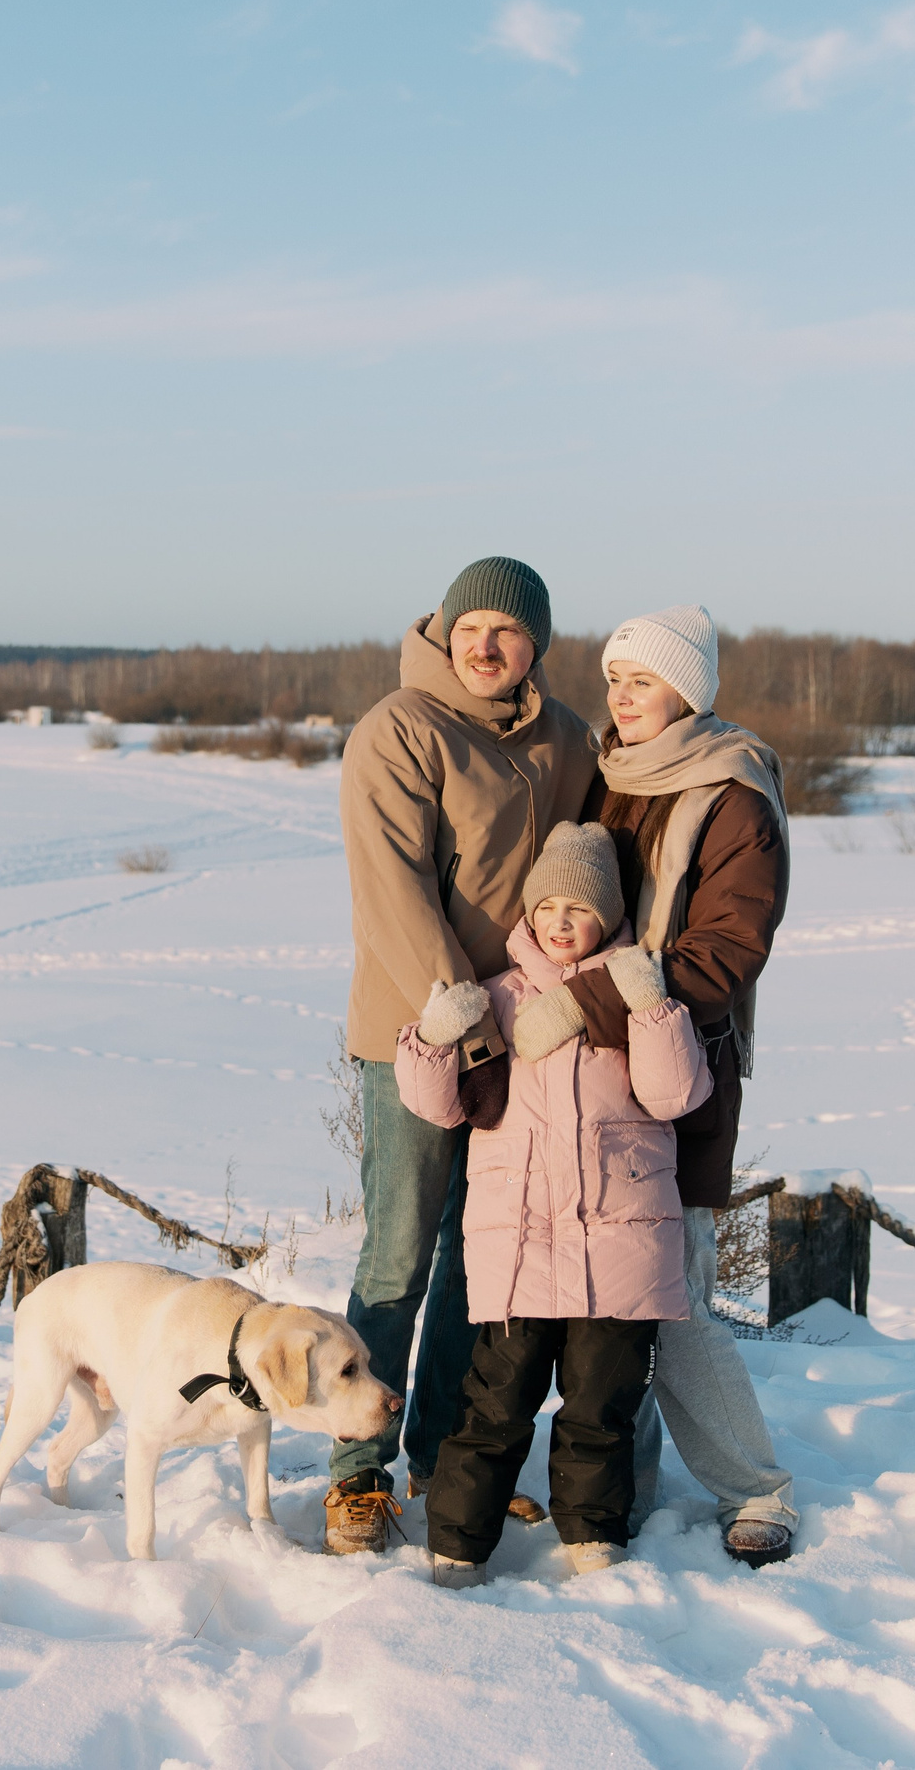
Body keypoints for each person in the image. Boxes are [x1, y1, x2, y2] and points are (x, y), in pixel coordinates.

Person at [325, 557, 601, 1555]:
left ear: (537, 645)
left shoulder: (567, 738)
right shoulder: (397, 729)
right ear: (444, 632)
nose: (487, 646)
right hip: (420, 1036)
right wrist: (465, 1020)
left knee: (483, 1265)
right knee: (399, 1253)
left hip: (524, 1041)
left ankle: (445, 1458)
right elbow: (393, 893)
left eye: (510, 632)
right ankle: (358, 1474)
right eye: (471, 627)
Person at [517, 603, 799, 1569]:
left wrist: (582, 1005)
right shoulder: (609, 783)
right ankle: (620, 1491)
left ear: (690, 692)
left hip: (681, 1074)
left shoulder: (734, 799)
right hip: (589, 1084)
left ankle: (757, 1488)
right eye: (613, 680)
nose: (620, 697)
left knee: (669, 1301)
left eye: (641, 680)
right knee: (605, 1301)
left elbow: (723, 953)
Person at [392, 823, 712, 1581]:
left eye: (580, 908)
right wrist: (432, 1038)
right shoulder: (497, 999)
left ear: (609, 917)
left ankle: (594, 1539)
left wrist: (653, 1010)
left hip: (618, 1250)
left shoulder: (631, 995)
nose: (561, 921)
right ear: (529, 912)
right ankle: (457, 1547)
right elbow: (440, 1106)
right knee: (495, 1409)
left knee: (598, 1409)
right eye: (549, 906)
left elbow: (677, 1093)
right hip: (520, 1251)